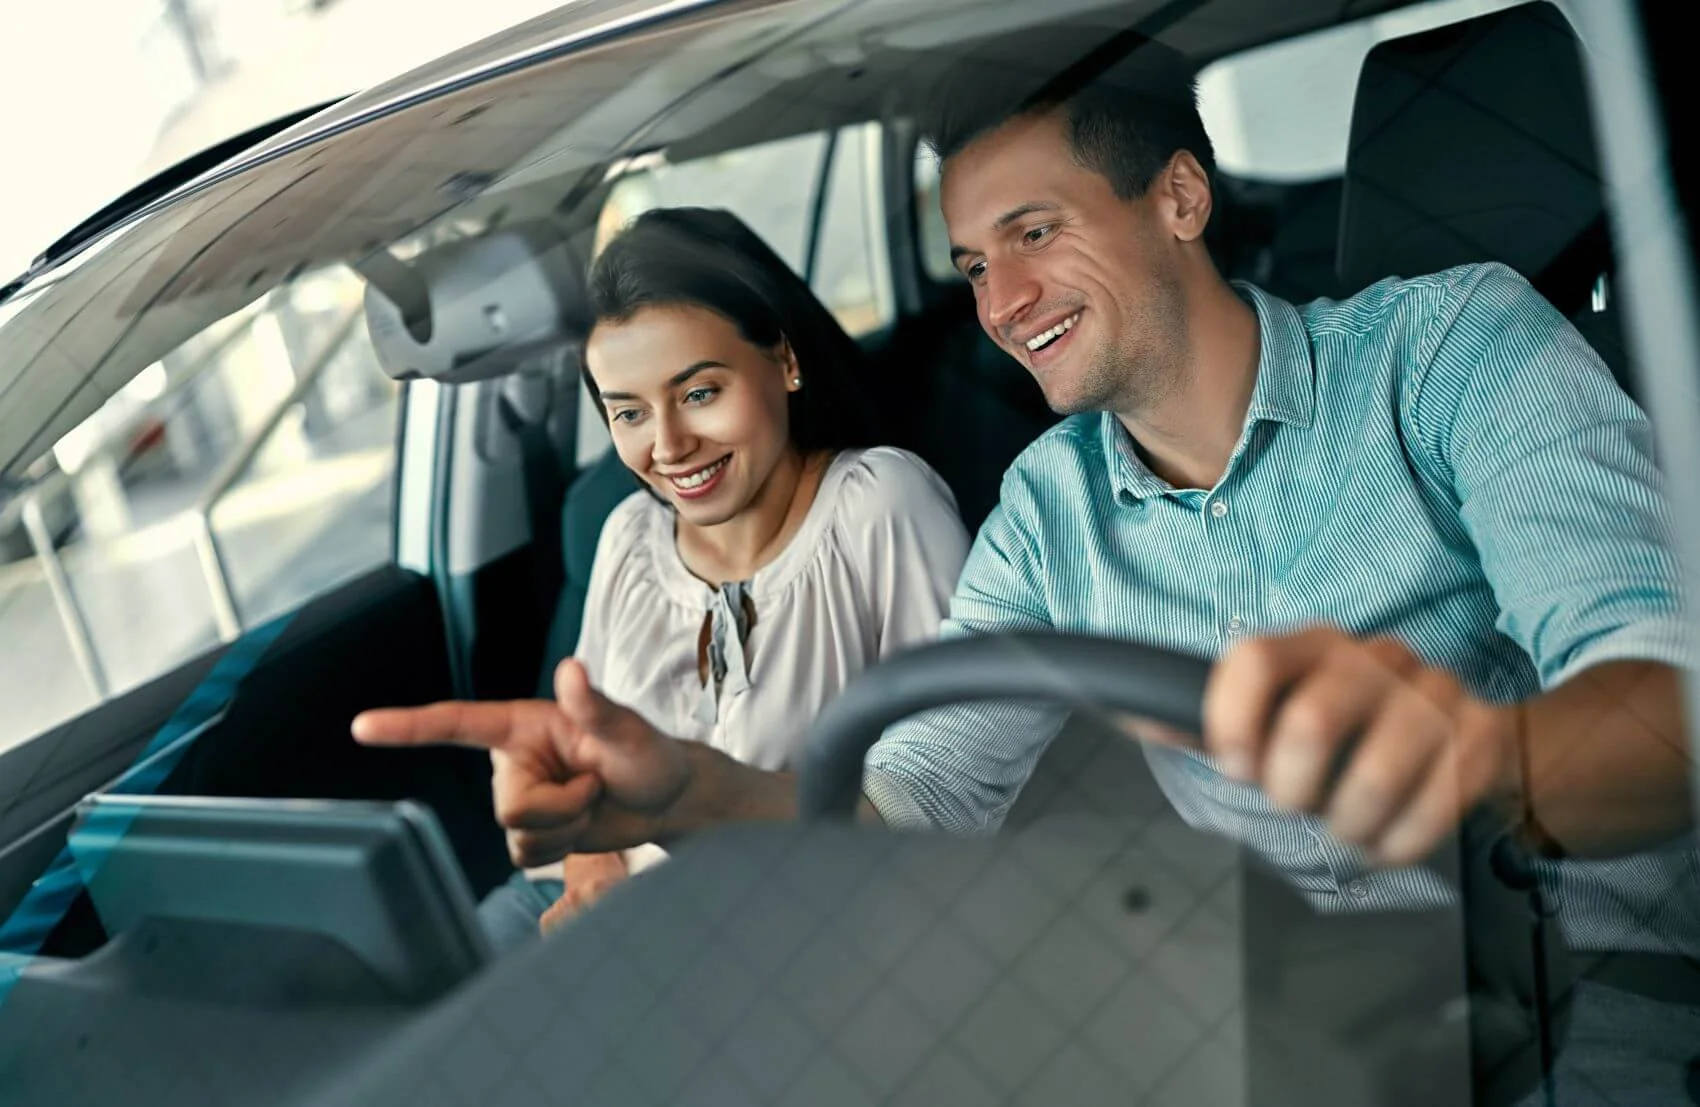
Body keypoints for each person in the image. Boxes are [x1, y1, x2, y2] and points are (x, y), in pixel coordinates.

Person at [355, 38, 1698, 1098]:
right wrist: (684, 786)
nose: (998, 306)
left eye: (1037, 234)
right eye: (971, 263)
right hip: (1303, 1018)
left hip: (1602, 990)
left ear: (1177, 195)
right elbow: (910, 798)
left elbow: (1669, 701)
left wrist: (1478, 761)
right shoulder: (1048, 512)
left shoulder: (1451, 350)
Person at [472, 207, 970, 947]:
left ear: (784, 361)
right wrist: (590, 872)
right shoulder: (628, 539)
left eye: (700, 392)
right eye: (629, 412)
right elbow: (588, 787)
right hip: (610, 911)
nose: (668, 446)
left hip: (803, 931)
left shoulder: (881, 504)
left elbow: (952, 804)